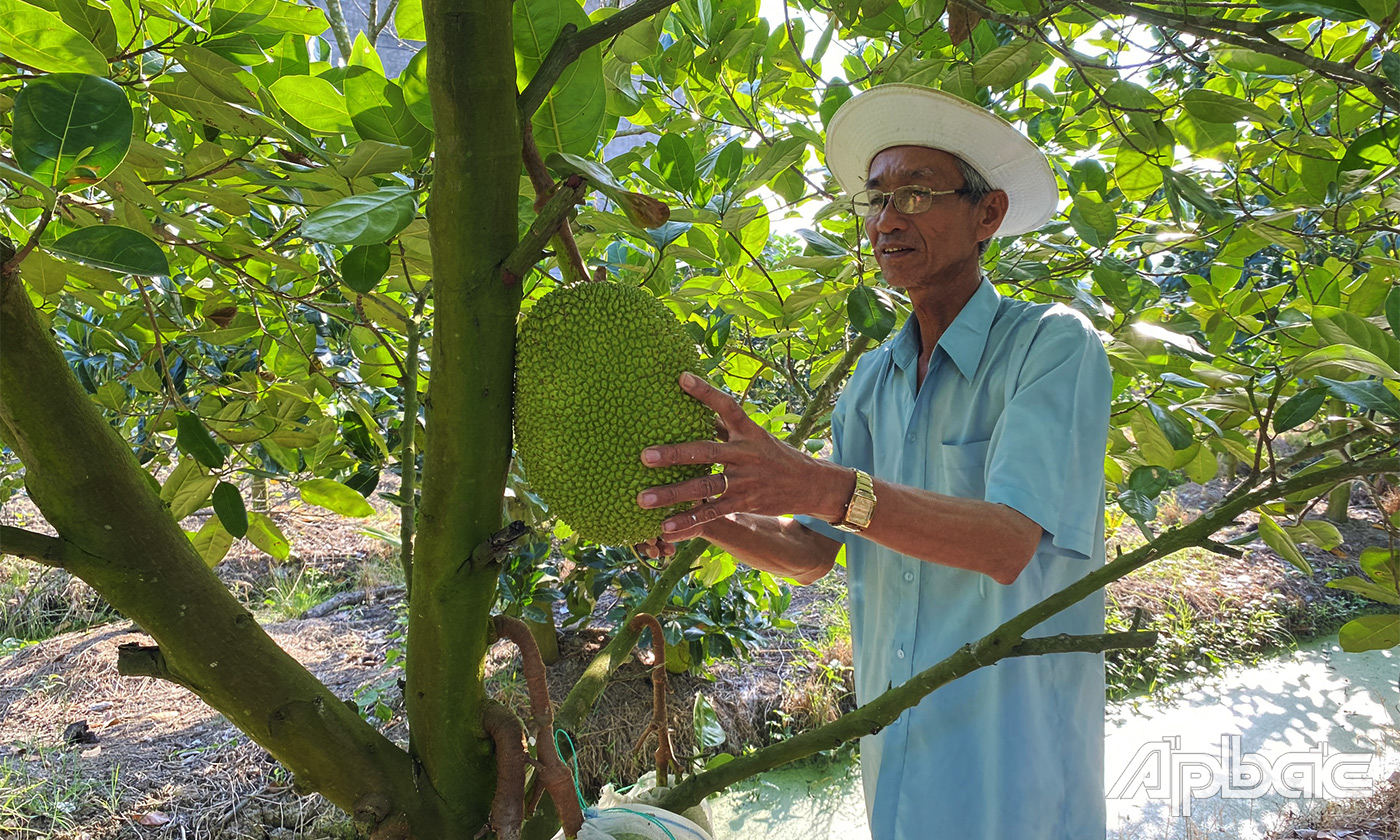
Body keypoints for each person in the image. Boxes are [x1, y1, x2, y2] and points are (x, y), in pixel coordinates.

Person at [636, 84, 1111, 839]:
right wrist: (705, 513)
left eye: (918, 194)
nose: (888, 220)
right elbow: (813, 553)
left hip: (1012, 757)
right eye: (877, 199)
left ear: (987, 215)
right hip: (896, 751)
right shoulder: (870, 385)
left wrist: (820, 486)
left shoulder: (1051, 348)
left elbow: (1007, 542)